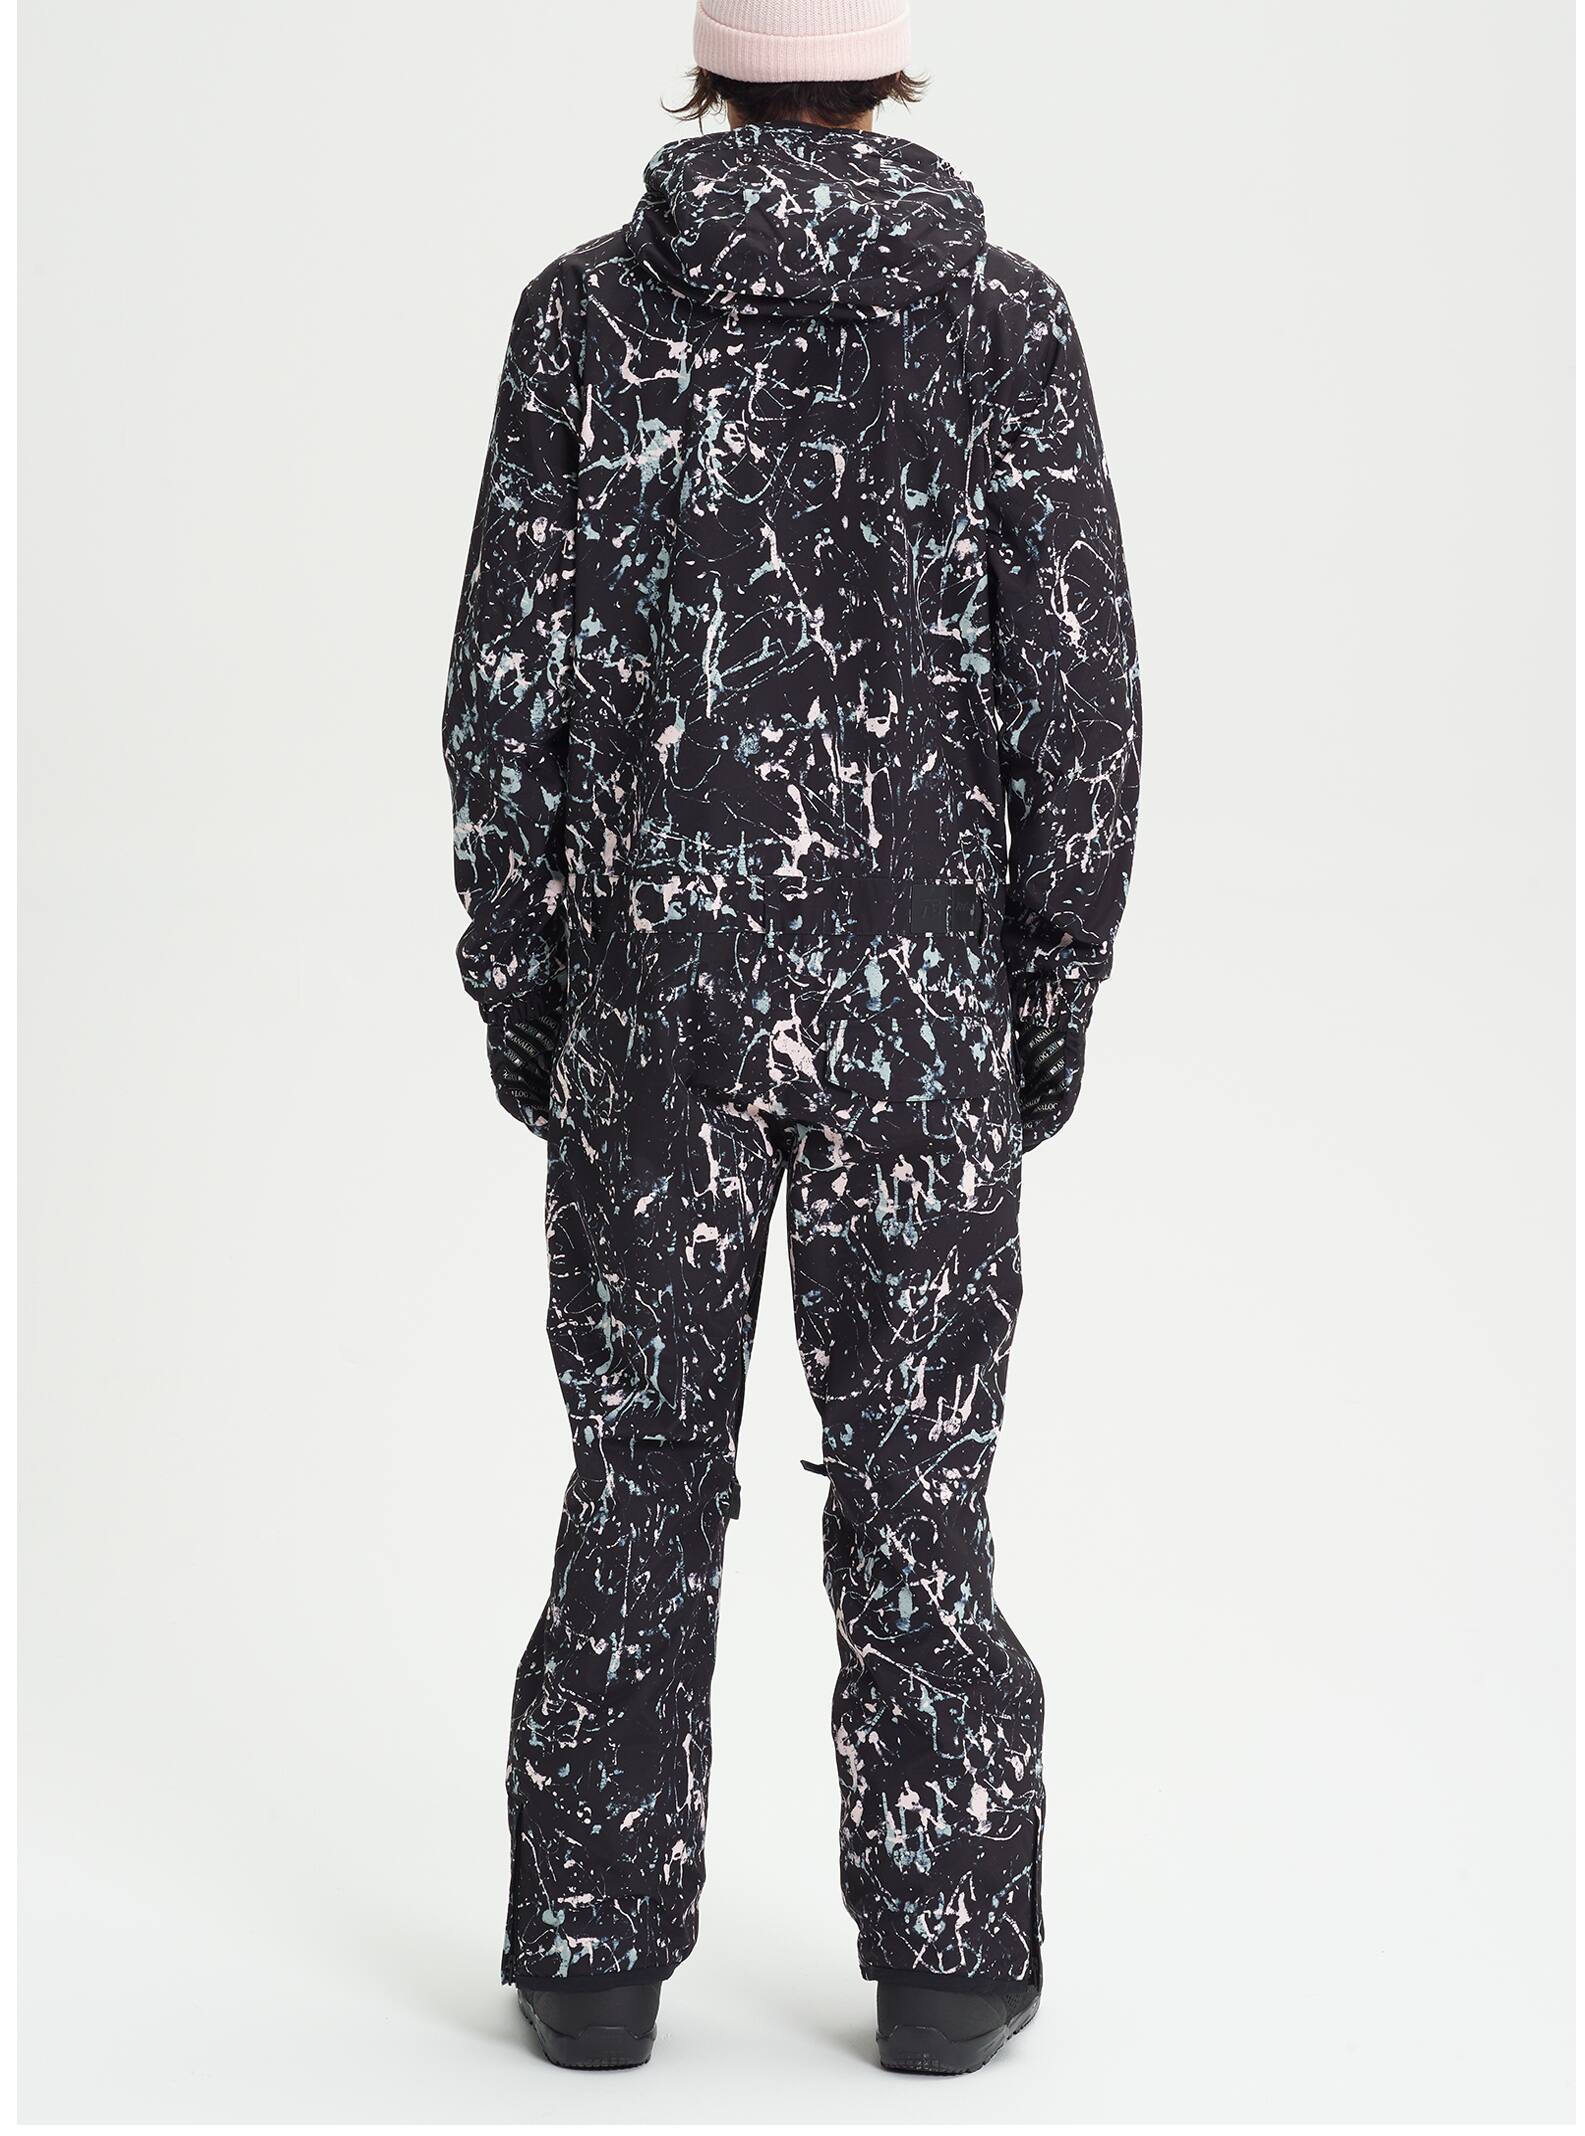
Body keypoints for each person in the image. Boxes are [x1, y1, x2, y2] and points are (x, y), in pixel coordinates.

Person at [442, 0, 1140, 2077]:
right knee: (919, 1480)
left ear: (709, 74)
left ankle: (590, 1967)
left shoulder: (583, 319)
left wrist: (532, 998)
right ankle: (947, 1967)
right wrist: (1036, 1006)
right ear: (890, 72)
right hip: (916, 1006)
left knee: (636, 1471)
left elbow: (501, 695)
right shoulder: (1002, 324)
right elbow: (1077, 702)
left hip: (652, 1005)